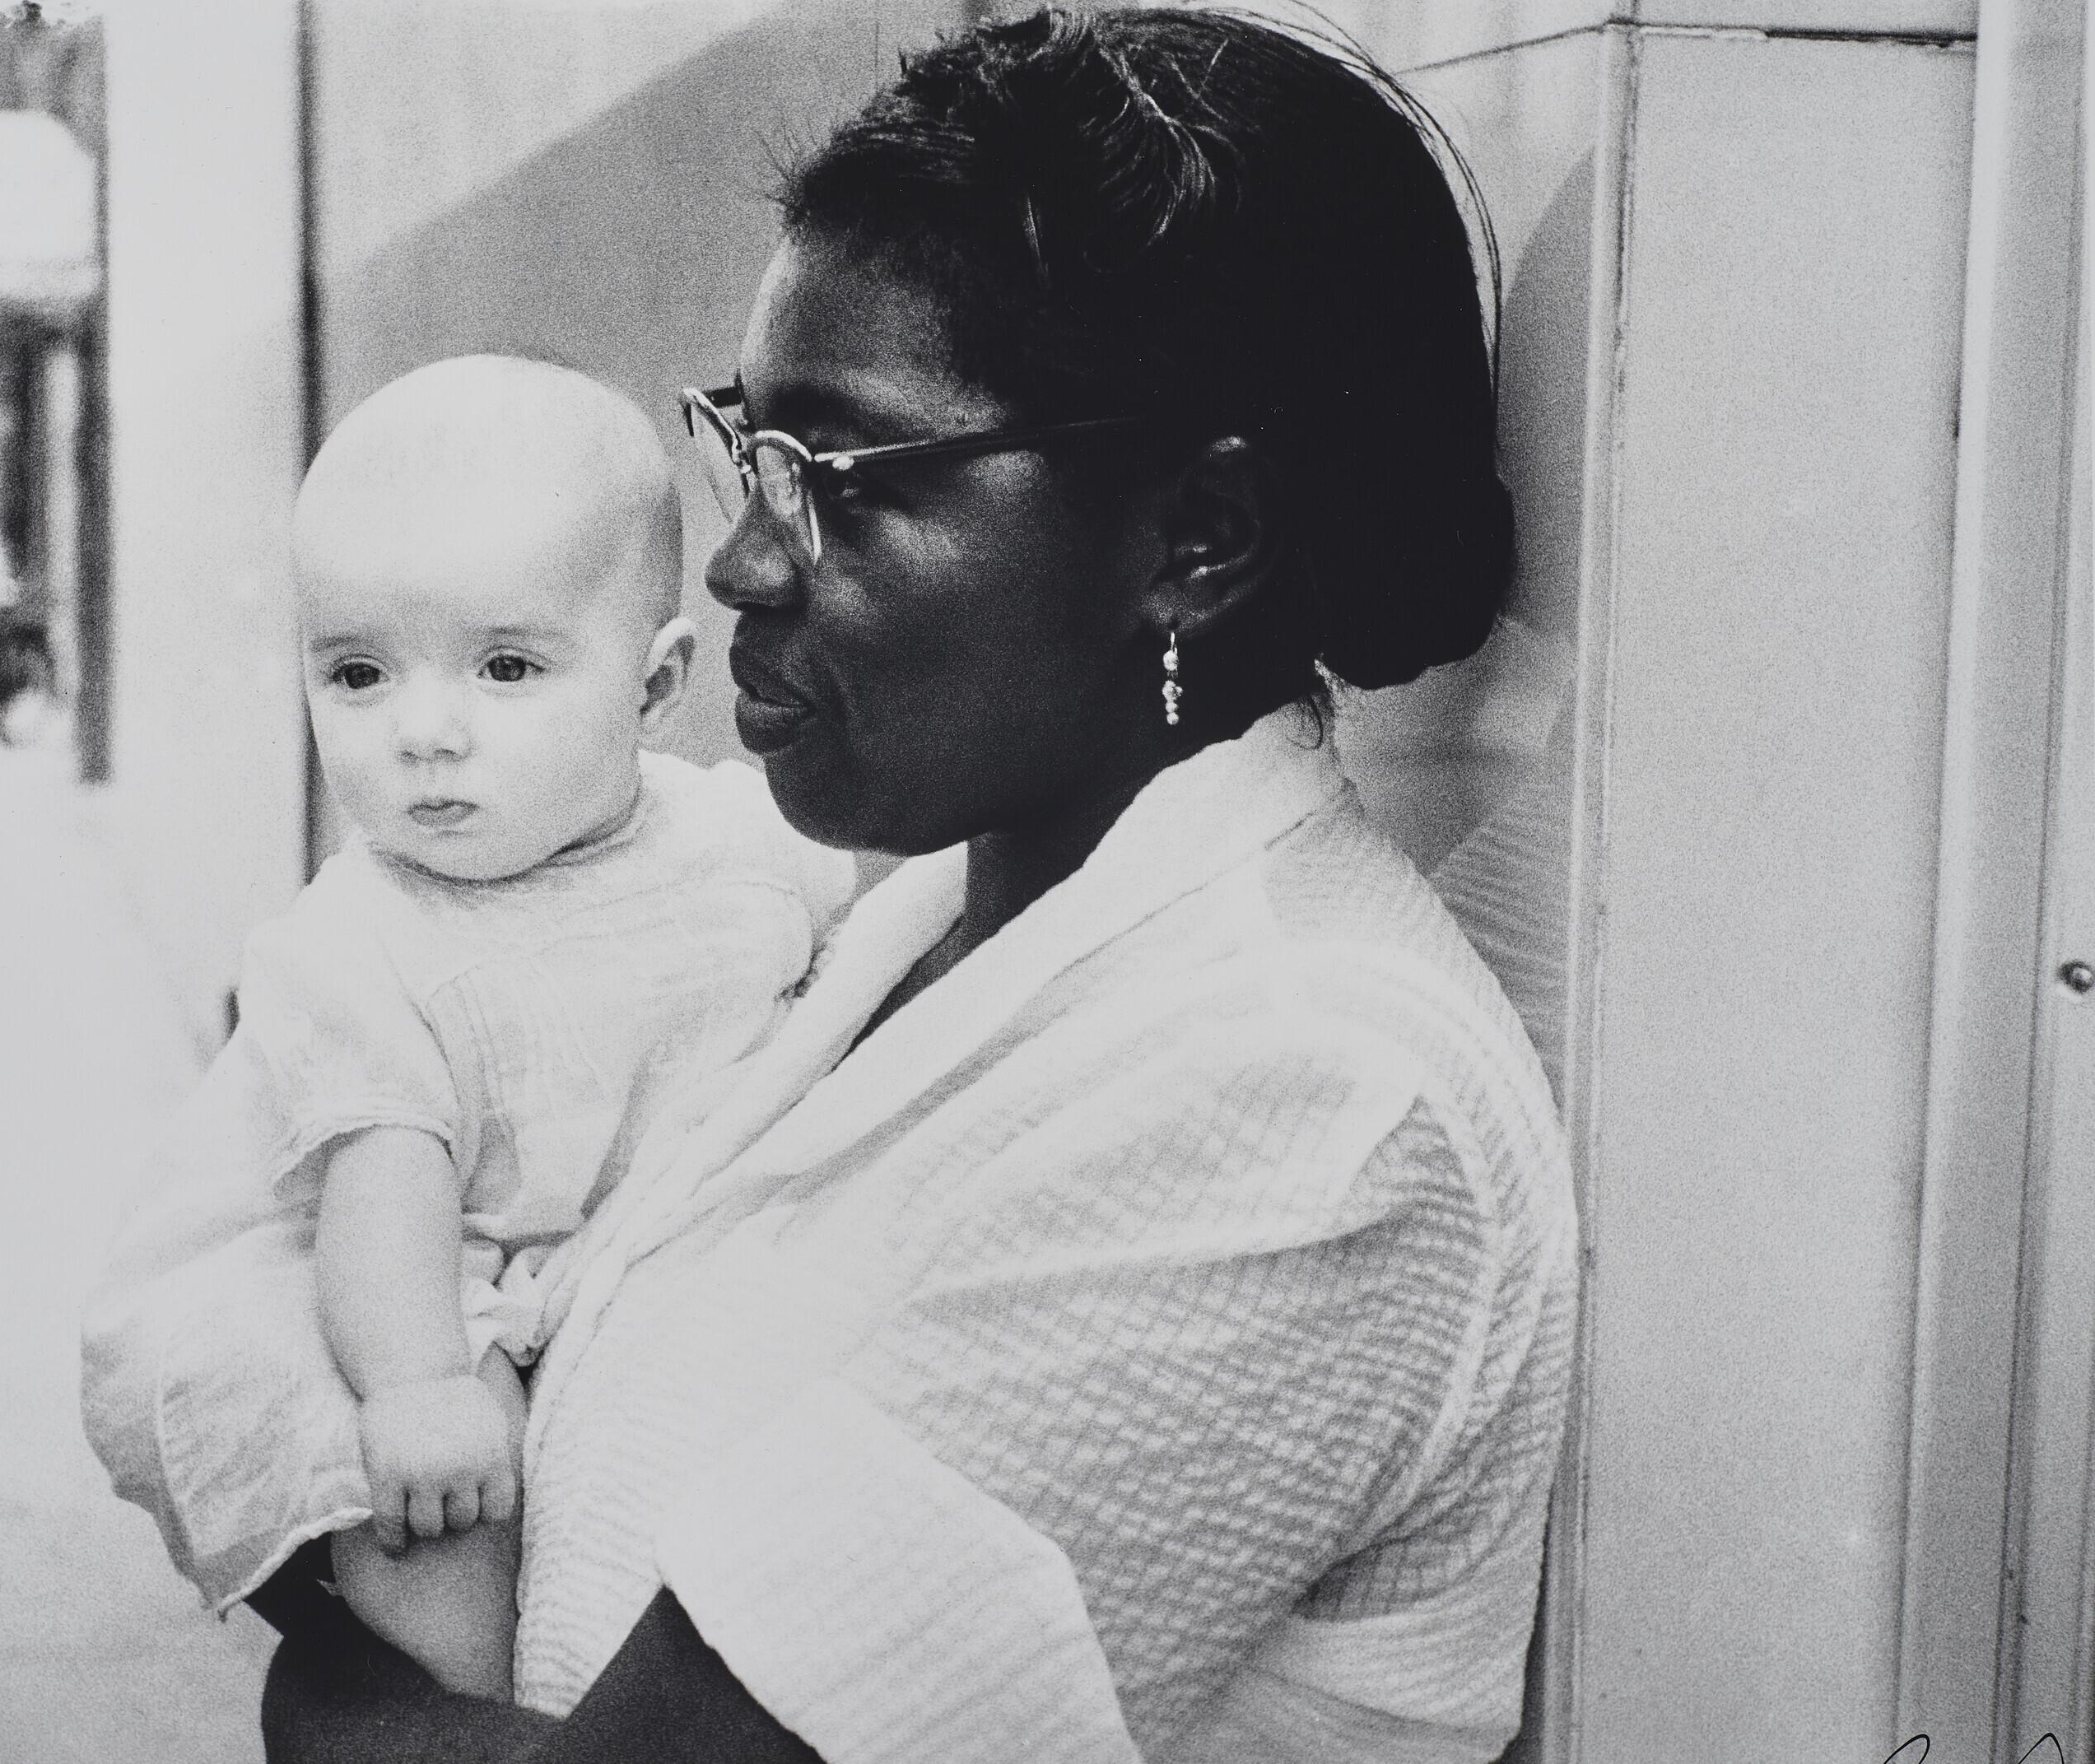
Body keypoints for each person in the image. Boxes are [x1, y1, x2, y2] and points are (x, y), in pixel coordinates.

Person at [236, 9, 1577, 1761]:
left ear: (1195, 540)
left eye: (839, 480)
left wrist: (327, 1695)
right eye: (747, 448)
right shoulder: (906, 933)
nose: (735, 560)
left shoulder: (1311, 1109)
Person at [80, 356, 856, 1700]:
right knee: (445, 1507)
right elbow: (388, 1186)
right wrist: (416, 1388)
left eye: (505, 668)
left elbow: (834, 986)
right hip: (444, 1283)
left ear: (655, 686)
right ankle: (481, 1704)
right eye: (361, 674)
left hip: (647, 1247)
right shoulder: (360, 942)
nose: (424, 733)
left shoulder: (739, 842)